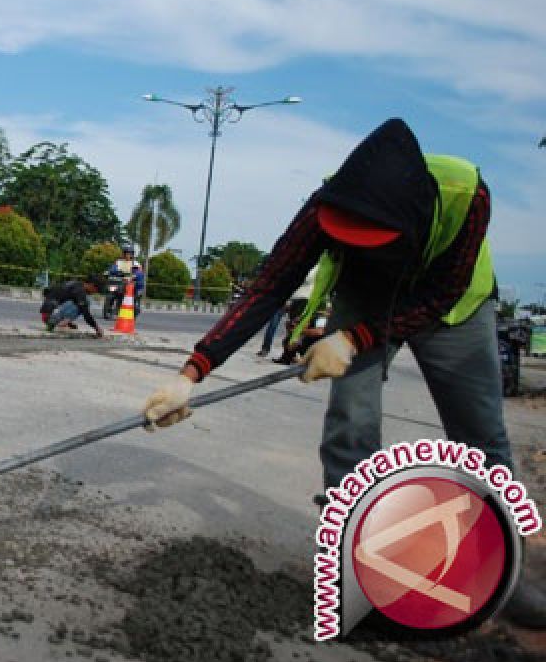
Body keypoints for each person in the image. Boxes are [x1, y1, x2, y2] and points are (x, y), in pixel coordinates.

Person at [141, 118, 544, 627]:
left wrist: (355, 338)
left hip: (452, 304)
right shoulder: (332, 200)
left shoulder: (468, 193)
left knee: (481, 436)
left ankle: (503, 571)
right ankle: (360, 562)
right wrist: (193, 372)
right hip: (367, 293)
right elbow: (270, 284)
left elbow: (438, 296)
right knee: (350, 425)